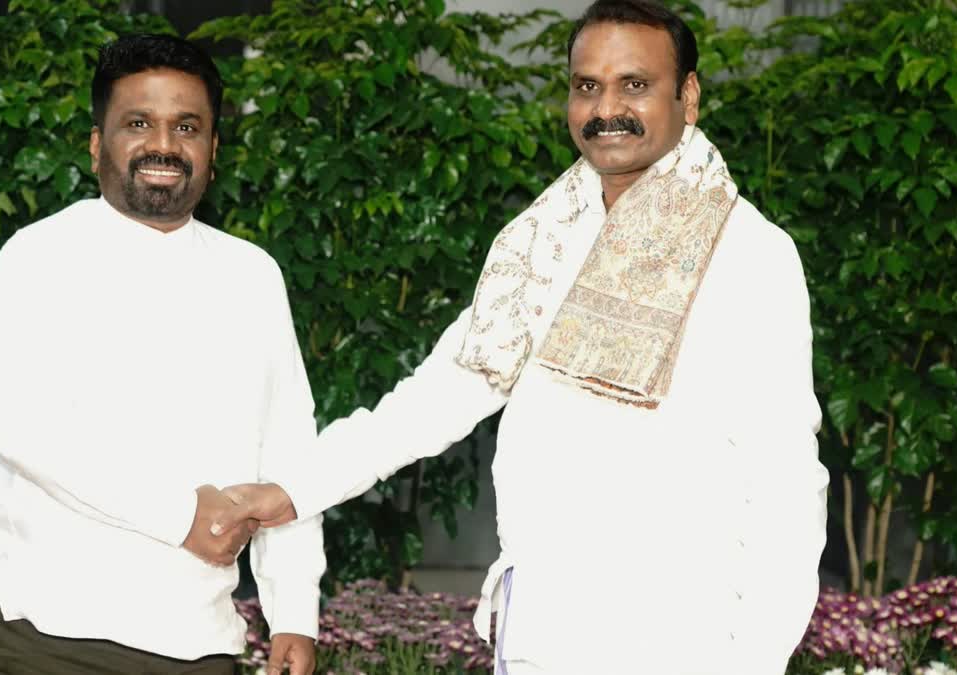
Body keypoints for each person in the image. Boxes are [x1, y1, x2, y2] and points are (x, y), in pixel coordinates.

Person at [211, 1, 829, 673]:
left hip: (680, 640)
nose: (605, 107)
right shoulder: (545, 238)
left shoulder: (750, 254)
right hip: (539, 634)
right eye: (586, 85)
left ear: (688, 96)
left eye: (635, 85)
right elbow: (436, 397)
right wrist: (294, 489)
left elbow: (786, 483)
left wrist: (758, 661)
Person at [0, 34, 324, 675]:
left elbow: (287, 448)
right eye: (138, 123)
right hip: (50, 635)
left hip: (204, 639)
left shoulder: (253, 274)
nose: (164, 145)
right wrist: (183, 514)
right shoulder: (37, 258)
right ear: (98, 144)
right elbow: (28, 430)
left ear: (213, 149)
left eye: (187, 126)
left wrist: (293, 611)